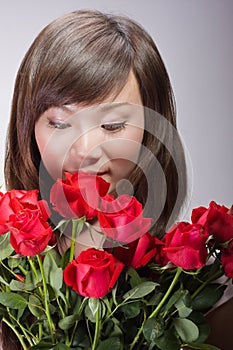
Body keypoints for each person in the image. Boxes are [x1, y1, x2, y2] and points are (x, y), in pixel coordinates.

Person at [2, 9, 188, 349]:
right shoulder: (6, 282)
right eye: (59, 123)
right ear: (28, 128)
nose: (84, 149)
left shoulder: (195, 286)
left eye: (113, 125)